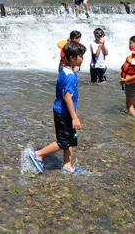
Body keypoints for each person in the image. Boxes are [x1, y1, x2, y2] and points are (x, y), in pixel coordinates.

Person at [30, 41, 87, 174]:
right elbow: (67, 97)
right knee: (63, 142)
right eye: (81, 56)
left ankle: (67, 165)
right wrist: (75, 118)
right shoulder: (70, 76)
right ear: (72, 58)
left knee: (71, 139)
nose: (82, 59)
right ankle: (38, 154)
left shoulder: (64, 71)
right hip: (64, 113)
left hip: (63, 110)